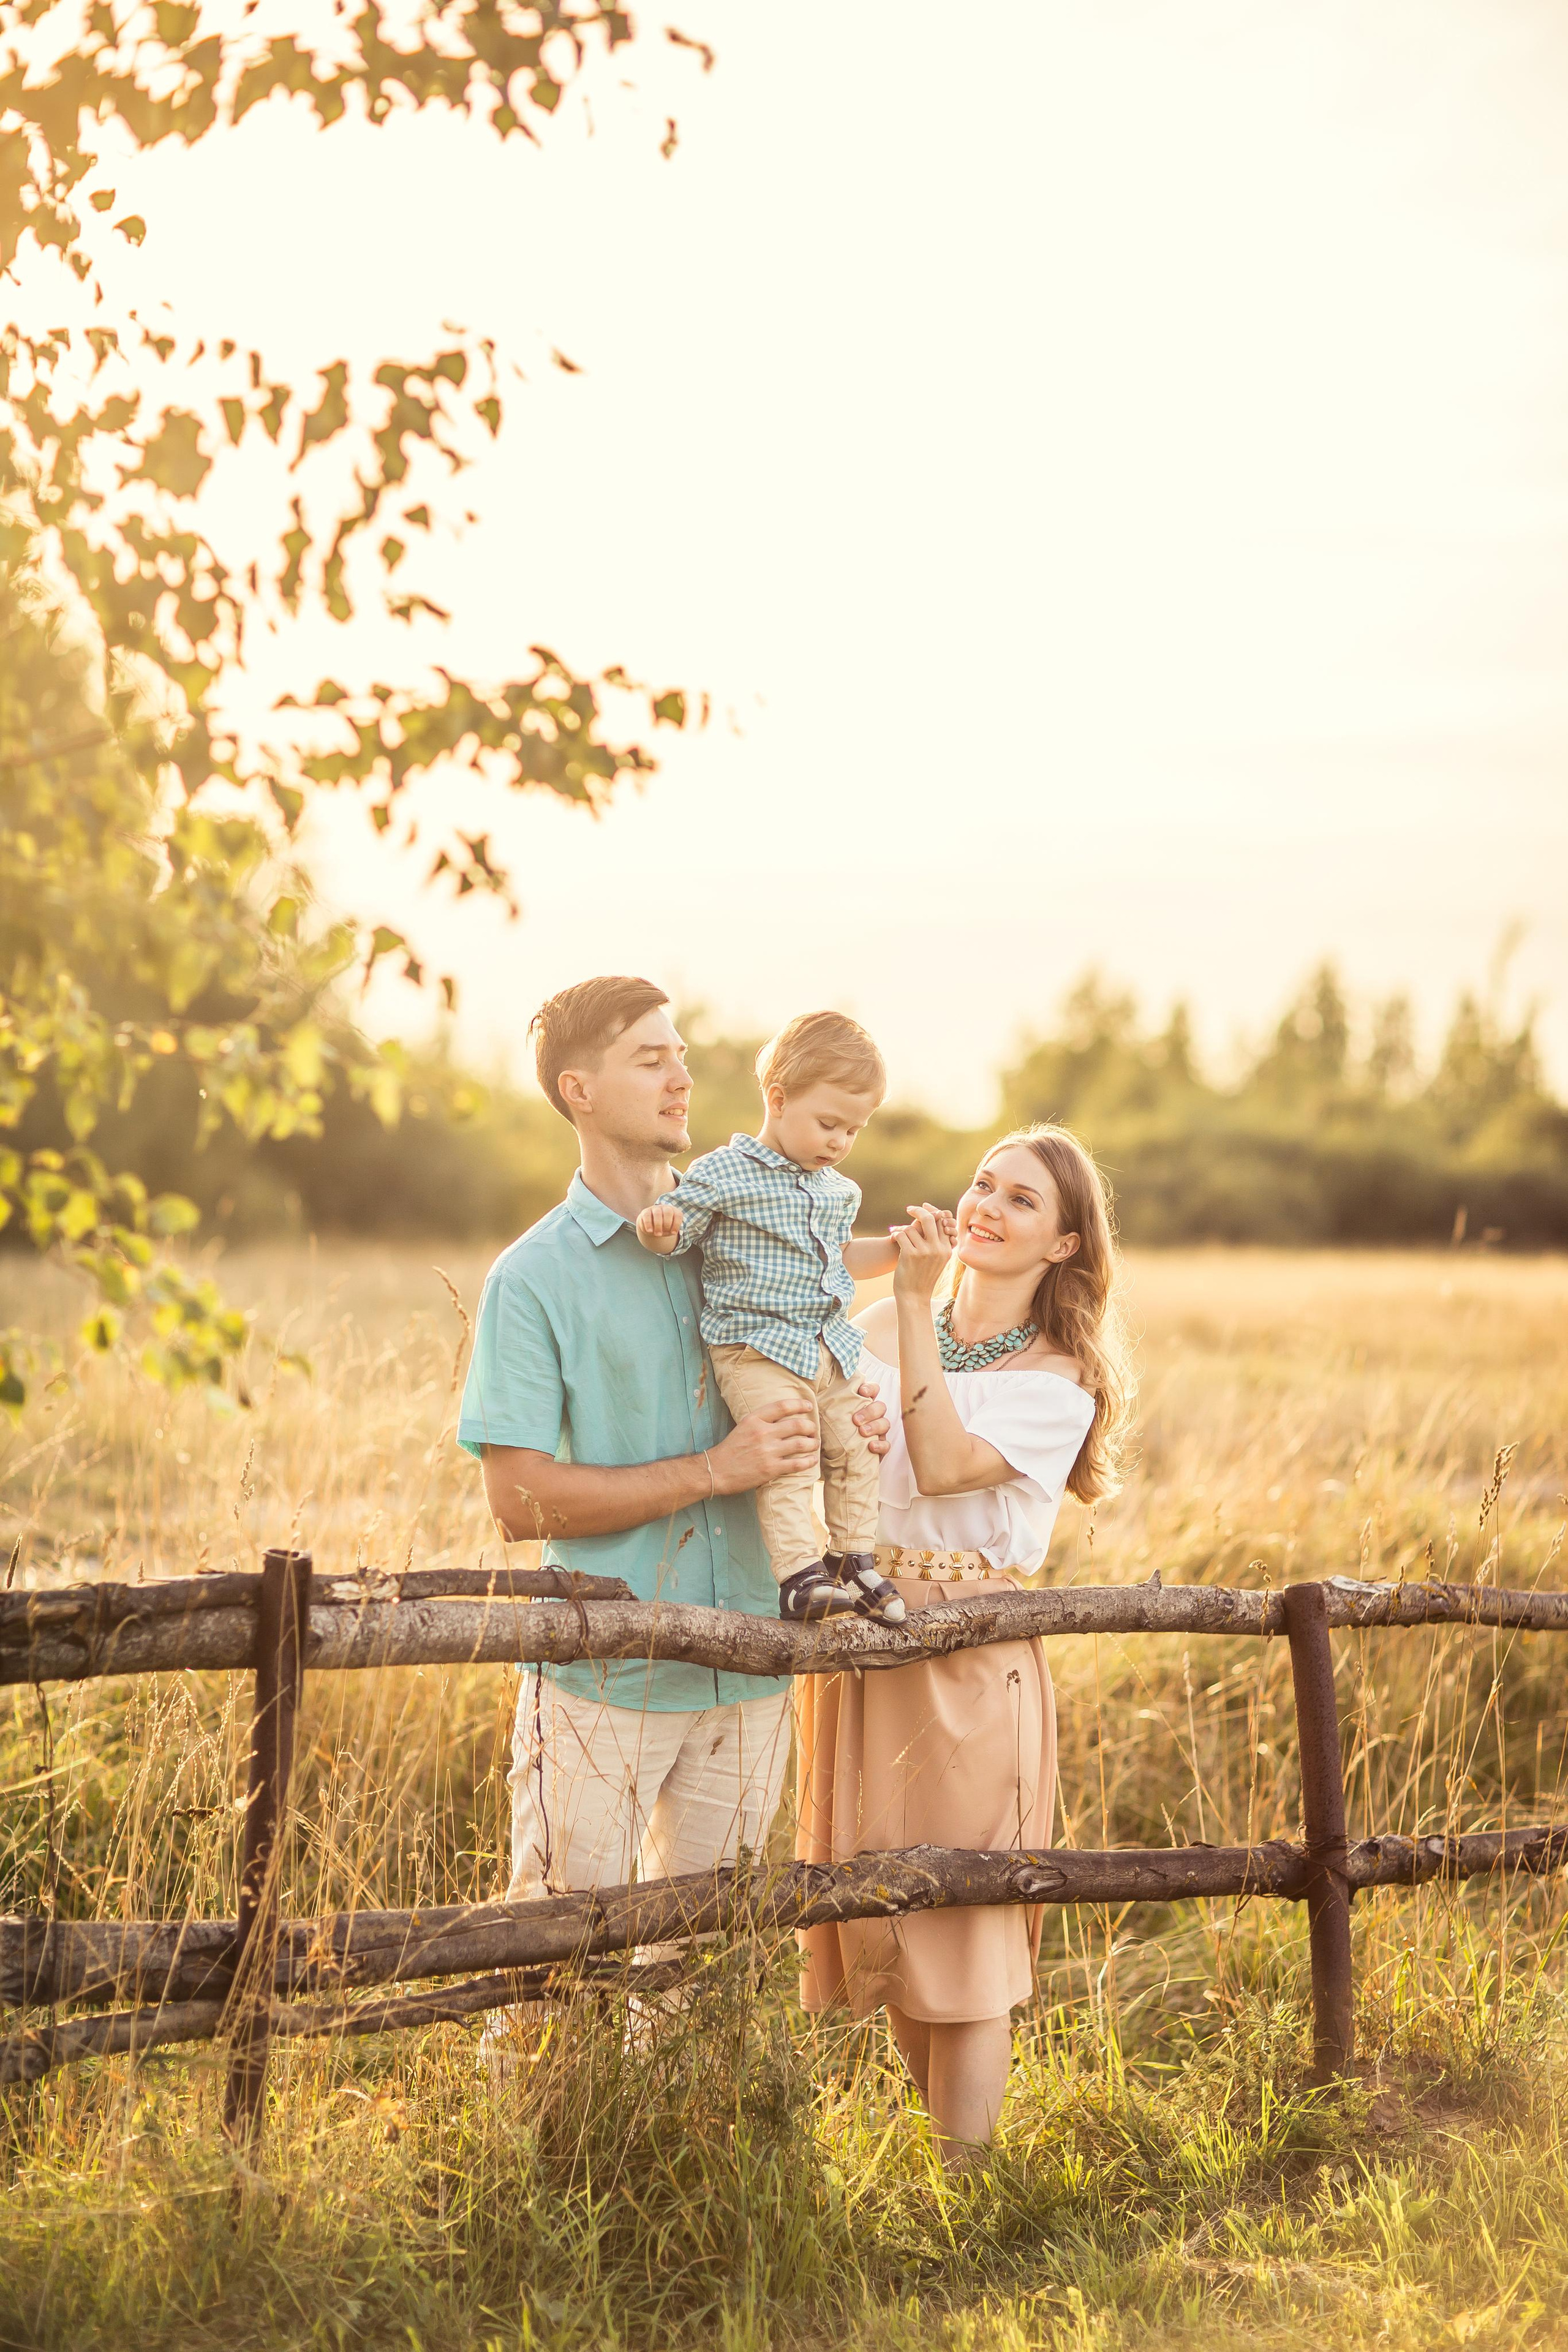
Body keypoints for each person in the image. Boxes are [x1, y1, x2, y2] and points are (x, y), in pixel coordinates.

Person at [456, 976, 892, 1984]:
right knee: (557, 1968)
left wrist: (852, 1411)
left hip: (751, 1657)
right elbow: (517, 1500)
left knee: (707, 1980)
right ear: (578, 1090)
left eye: (681, 1053)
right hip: (600, 1676)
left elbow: (820, 1360)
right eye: (650, 1058)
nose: (682, 1077)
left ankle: (680, 2148)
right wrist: (713, 1471)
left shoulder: (750, 1231)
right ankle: (547, 2144)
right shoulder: (533, 1277)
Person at [796, 1123, 1134, 2162]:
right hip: (863, 1644)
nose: (986, 1206)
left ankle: (968, 2193)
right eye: (984, 1184)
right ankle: (943, 2173)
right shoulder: (869, 1328)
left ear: (1067, 1245)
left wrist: (909, 1298)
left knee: (971, 1921)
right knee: (888, 1918)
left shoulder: (1059, 1379)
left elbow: (941, 1466)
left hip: (970, 1651)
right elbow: (811, 1461)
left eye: (1023, 1201)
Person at [635, 1009, 924, 1628]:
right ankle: (798, 1575)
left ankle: (850, 1557)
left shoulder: (836, 1190)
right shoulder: (725, 1173)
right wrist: (660, 1231)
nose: (839, 1142)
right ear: (777, 1098)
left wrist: (900, 1248)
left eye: (854, 1130)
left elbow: (842, 1259)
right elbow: (679, 1231)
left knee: (854, 1446)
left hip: (826, 1348)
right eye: (828, 1123)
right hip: (757, 1347)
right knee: (792, 1446)